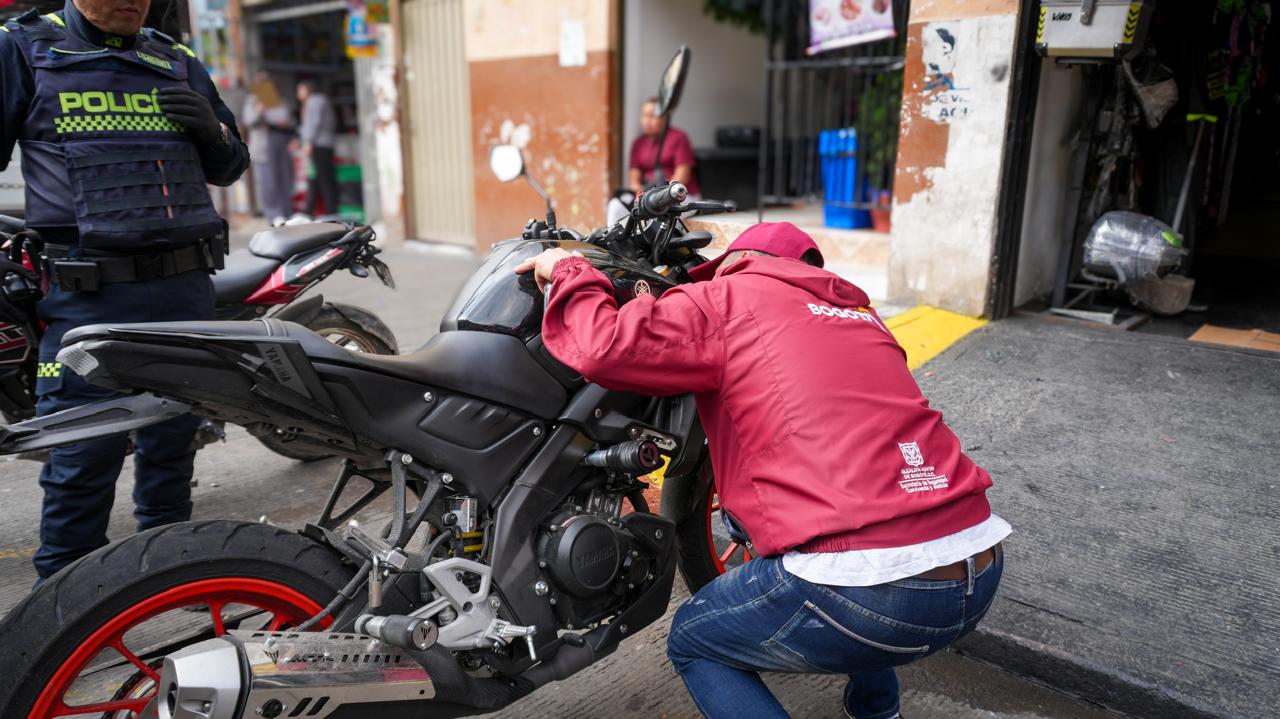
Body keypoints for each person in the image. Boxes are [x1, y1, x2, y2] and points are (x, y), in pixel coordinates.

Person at [517, 222, 1008, 719]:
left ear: (737, 263)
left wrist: (567, 269)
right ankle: (878, 712)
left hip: (876, 597)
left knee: (694, 641)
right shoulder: (862, 316)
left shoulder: (727, 298)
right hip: (979, 564)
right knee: (871, 536)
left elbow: (604, 344)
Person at [0, 0, 249, 583]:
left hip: (185, 294)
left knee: (172, 450)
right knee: (82, 458)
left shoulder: (176, 58)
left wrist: (210, 131)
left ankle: (170, 589)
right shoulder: (23, 49)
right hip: (86, 299)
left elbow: (231, 165)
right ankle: (63, 607)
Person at [243, 71, 295, 223]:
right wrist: (260, 111)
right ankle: (273, 214)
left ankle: (287, 212)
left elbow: (288, 120)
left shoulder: (279, 100)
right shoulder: (252, 101)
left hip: (282, 141)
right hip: (264, 144)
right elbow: (248, 120)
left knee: (285, 177)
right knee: (269, 180)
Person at [629, 96, 699, 197]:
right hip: (650, 196)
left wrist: (662, 195)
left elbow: (682, 177)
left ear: (665, 117)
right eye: (644, 115)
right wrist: (643, 195)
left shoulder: (679, 137)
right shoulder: (638, 143)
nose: (647, 121)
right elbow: (634, 182)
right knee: (615, 205)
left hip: (679, 195)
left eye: (653, 116)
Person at [297, 80, 339, 217]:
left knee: (324, 179)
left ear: (306, 90)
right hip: (321, 144)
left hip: (319, 145)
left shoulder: (314, 101)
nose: (298, 93)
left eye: (300, 90)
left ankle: (331, 211)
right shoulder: (319, 101)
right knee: (314, 179)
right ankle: (309, 210)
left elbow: (315, 123)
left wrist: (309, 141)